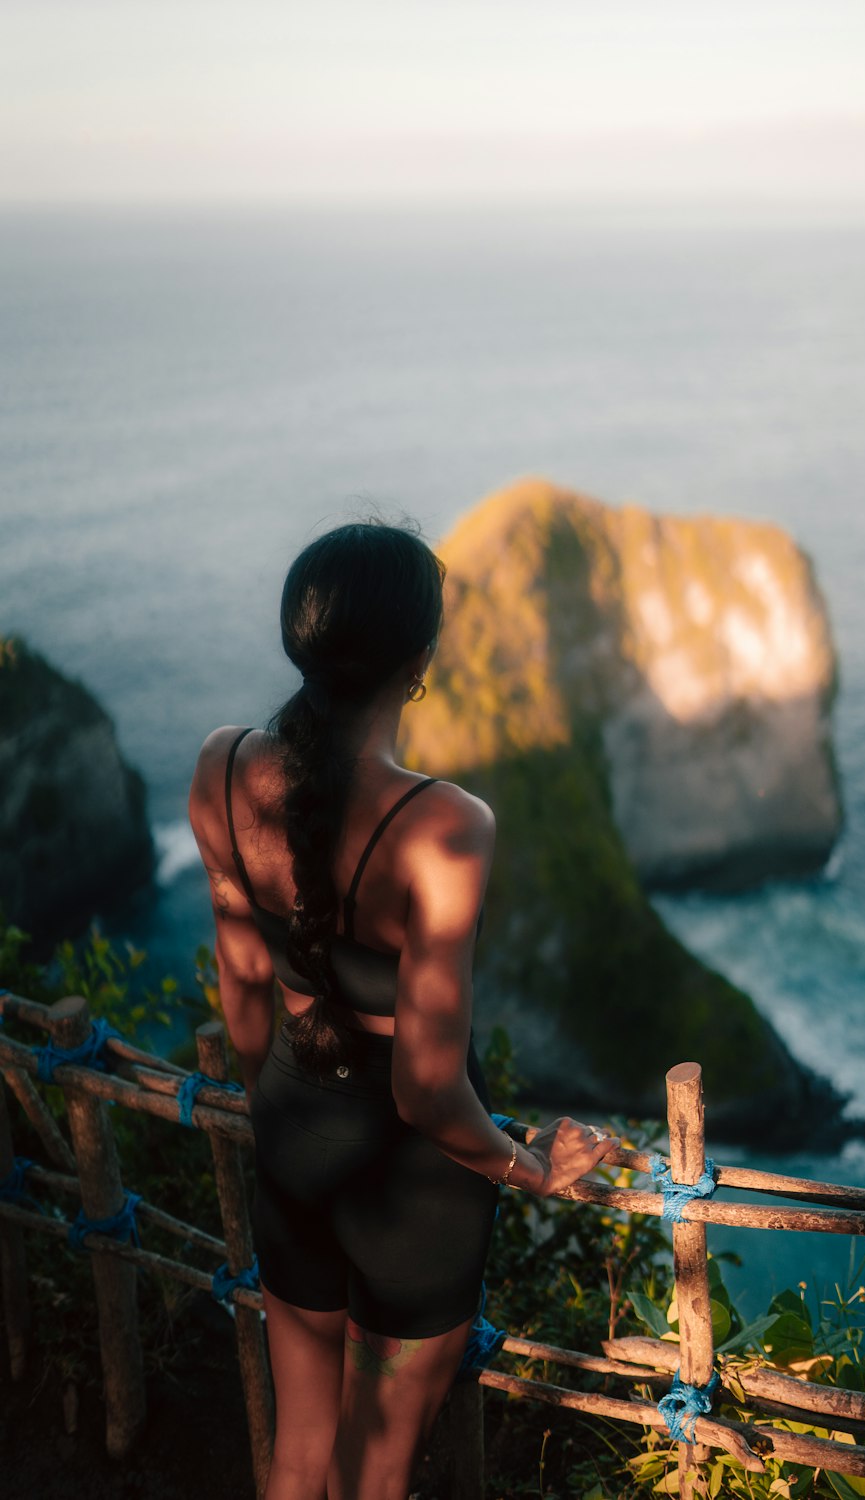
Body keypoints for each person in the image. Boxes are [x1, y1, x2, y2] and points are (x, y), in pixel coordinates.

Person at [189, 521, 619, 1500]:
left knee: (298, 1459)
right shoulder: (445, 828)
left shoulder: (219, 767)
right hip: (412, 1184)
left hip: (293, 1133)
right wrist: (533, 1168)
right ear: (418, 663)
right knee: (376, 1476)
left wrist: (282, 1110)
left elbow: (243, 989)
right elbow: (427, 1088)